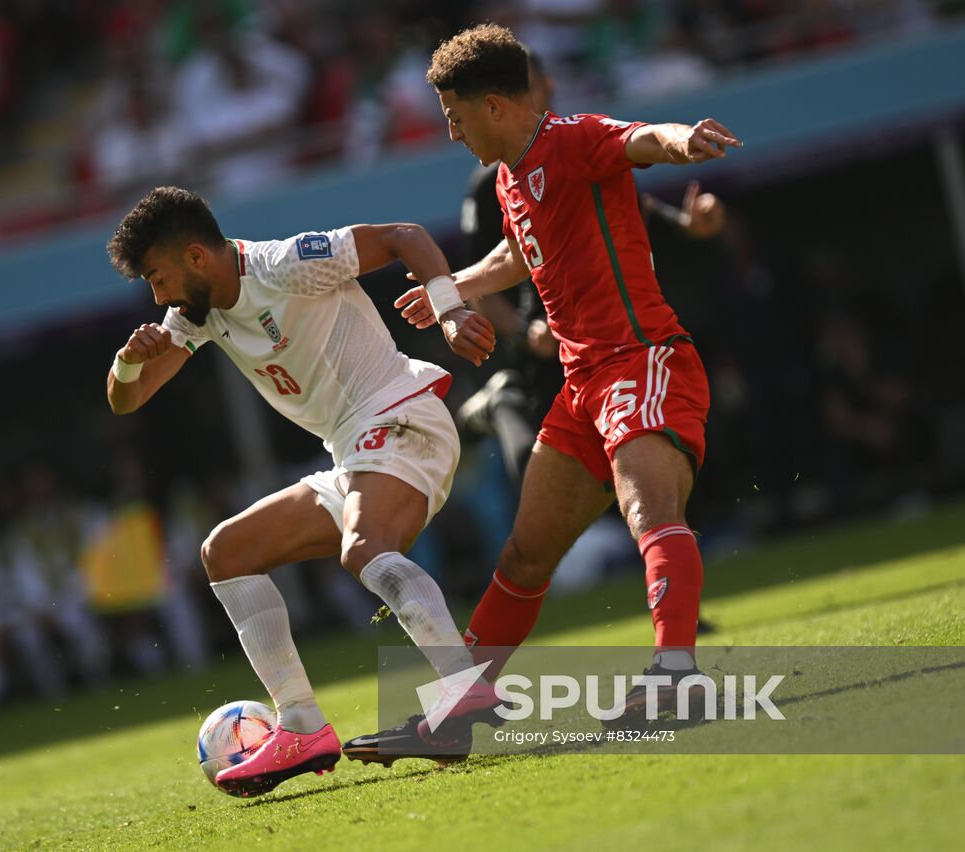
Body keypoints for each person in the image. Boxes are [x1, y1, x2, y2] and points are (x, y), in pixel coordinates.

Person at [347, 23, 742, 763]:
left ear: (495, 106)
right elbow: (519, 253)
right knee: (526, 556)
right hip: (582, 384)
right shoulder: (509, 176)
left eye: (456, 117)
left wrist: (683, 139)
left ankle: (676, 677)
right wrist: (454, 288)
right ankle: (455, 714)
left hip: (641, 361)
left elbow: (640, 139)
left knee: (650, 513)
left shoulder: (573, 138)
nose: (453, 133)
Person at [105, 186, 496, 796]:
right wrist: (129, 361)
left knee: (364, 547)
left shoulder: (284, 264)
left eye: (158, 279)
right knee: (226, 552)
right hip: (353, 452)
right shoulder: (194, 316)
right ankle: (302, 726)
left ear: (196, 257)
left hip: (400, 417)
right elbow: (126, 400)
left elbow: (405, 236)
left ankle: (462, 693)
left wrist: (448, 309)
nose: (158, 298)